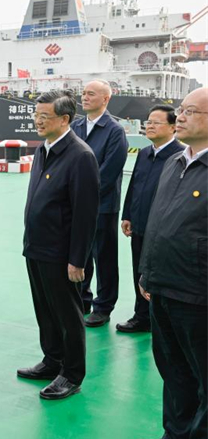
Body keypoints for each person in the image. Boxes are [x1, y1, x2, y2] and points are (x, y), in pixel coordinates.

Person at [133, 88, 207, 439]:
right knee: (173, 369)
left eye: (190, 111)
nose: (180, 117)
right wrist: (146, 271)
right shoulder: (174, 162)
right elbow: (158, 222)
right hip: (162, 286)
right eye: (180, 110)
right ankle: (176, 437)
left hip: (198, 294)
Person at [18, 89, 99, 400]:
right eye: (36, 116)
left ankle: (72, 374)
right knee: (45, 310)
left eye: (44, 117)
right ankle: (52, 360)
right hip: (36, 247)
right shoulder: (43, 150)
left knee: (67, 314)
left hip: (61, 253)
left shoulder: (80, 156)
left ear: (64, 119)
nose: (38, 121)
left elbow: (85, 214)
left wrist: (77, 259)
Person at [117, 105, 184, 333]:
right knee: (139, 270)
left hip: (163, 229)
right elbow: (134, 183)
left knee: (159, 274)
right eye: (148, 121)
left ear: (173, 127)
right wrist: (127, 215)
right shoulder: (145, 153)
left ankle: (160, 318)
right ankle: (142, 316)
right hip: (140, 224)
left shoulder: (179, 156)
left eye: (157, 122)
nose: (150, 126)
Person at [71, 80, 128, 327]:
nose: (84, 97)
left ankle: (103, 306)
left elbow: (110, 170)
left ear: (106, 99)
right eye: (83, 93)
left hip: (103, 206)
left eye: (91, 94)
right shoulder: (76, 126)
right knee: (80, 254)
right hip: (76, 204)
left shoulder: (114, 131)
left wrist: (84, 195)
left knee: (103, 257)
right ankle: (82, 299)